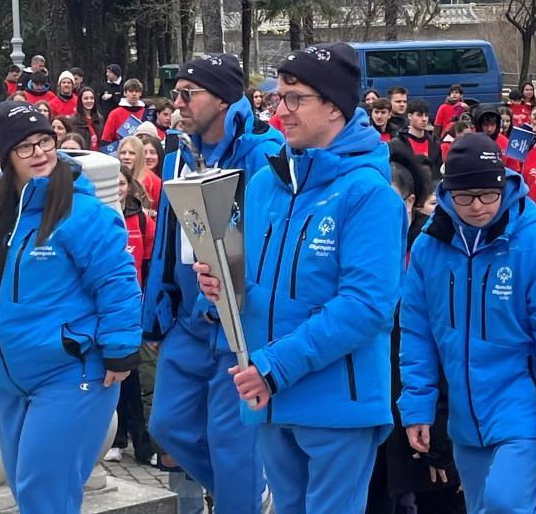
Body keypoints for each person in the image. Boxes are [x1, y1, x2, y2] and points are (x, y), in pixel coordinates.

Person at [194, 43, 405, 513]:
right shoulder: (266, 185)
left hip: (335, 404)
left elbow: (366, 307)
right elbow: (250, 288)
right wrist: (220, 292)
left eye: (294, 98)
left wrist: (274, 367)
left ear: (333, 105)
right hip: (269, 399)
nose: (279, 110)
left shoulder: (370, 195)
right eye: (277, 97)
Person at [0, 100, 142, 513]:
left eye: (45, 140)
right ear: (6, 155)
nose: (40, 152)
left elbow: (117, 282)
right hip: (11, 381)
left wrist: (120, 349)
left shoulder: (81, 212)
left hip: (71, 374)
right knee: (31, 493)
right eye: (25, 146)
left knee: (44, 493)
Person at [399, 133, 536, 513]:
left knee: (504, 505)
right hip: (466, 418)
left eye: (488, 195)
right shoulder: (428, 247)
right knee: (482, 505)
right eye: (465, 197)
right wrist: (418, 406)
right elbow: (417, 334)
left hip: (522, 408)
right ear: (448, 193)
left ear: (504, 188)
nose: (478, 206)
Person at [142, 53, 284, 514]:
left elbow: (268, 234)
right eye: (175, 94)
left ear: (222, 100)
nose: (177, 104)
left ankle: (241, 494)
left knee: (231, 443)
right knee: (167, 425)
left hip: (237, 321)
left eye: (189, 94)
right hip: (189, 318)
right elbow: (166, 237)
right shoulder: (177, 153)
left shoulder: (263, 153)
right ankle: (247, 492)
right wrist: (157, 312)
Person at [366, 149, 465, 514]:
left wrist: (439, 425)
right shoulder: (357, 253)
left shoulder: (430, 251)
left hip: (422, 417)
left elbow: (441, 343)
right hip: (371, 414)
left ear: (411, 203)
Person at [103, 165, 155, 464]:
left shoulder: (142, 220)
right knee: (119, 376)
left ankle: (142, 441)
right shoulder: (100, 219)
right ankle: (119, 437)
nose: (119, 188)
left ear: (129, 185)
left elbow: (149, 265)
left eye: (122, 183)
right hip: (112, 306)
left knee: (136, 376)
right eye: (114, 184)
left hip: (136, 305)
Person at [391, 99, 441, 170]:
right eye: (419, 115)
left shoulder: (435, 143)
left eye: (426, 115)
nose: (424, 119)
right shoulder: (397, 143)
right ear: (409, 116)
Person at [100, 79, 146, 154]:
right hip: (121, 154)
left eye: (137, 91)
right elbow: (106, 140)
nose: (134, 94)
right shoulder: (115, 113)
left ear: (140, 93)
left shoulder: (146, 112)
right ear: (125, 93)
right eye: (131, 91)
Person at [472, 105, 521, 173]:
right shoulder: (470, 141)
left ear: (497, 124)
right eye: (486, 125)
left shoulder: (506, 143)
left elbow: (514, 171)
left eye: (492, 124)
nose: (489, 129)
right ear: (479, 125)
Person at [117, 136, 161, 208]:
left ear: (140, 155)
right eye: (123, 153)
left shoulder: (153, 181)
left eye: (132, 153)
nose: (126, 157)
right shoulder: (112, 177)